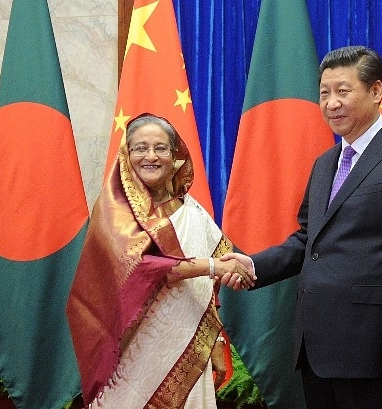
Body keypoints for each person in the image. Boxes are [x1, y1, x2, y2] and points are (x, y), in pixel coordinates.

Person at [221, 45, 382, 409]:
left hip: (377, 349)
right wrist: (253, 265)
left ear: (376, 91)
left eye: (343, 91)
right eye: (324, 93)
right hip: (317, 348)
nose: (331, 103)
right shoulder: (326, 163)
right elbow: (309, 240)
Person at [66, 113, 255, 408]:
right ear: (126, 156)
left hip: (190, 350)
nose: (150, 156)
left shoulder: (191, 210)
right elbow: (142, 268)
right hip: (131, 358)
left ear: (175, 154)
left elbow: (213, 285)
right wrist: (213, 266)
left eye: (160, 148)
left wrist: (216, 341)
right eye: (140, 148)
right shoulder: (113, 213)